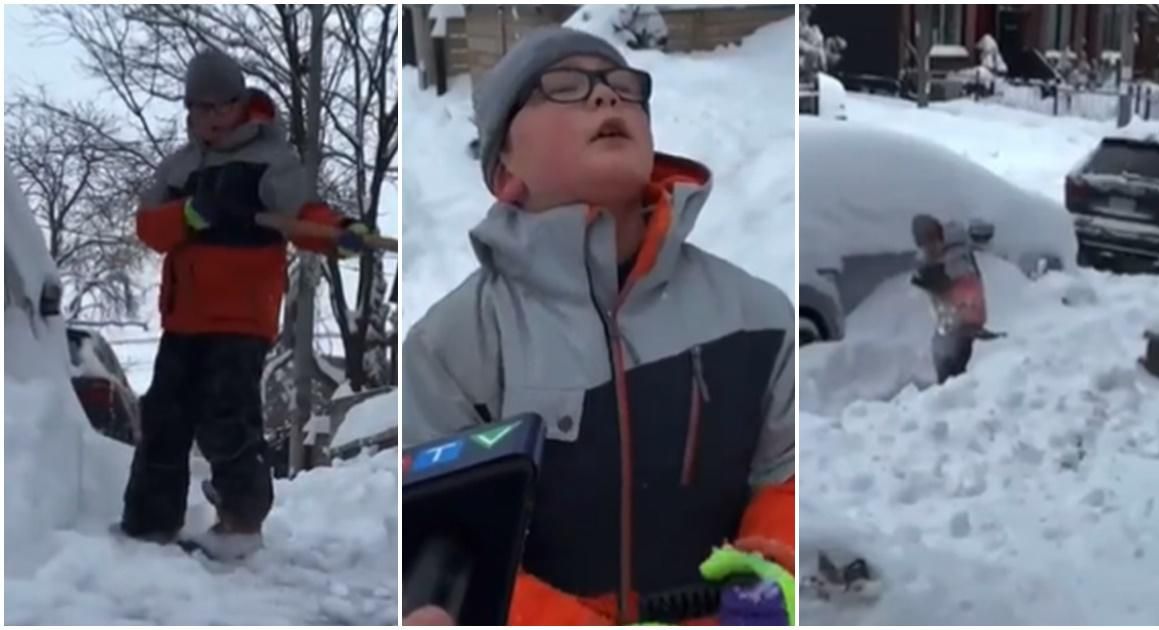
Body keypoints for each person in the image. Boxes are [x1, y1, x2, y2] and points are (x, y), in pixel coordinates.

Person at [403, 28, 795, 625]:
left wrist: (770, 570)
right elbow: (441, 553)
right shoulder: (452, 348)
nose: (607, 99)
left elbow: (787, 483)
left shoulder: (759, 318)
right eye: (563, 87)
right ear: (504, 165)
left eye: (625, 89)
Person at [123, 49, 374, 559]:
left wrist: (340, 234)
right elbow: (149, 226)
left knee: (227, 413)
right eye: (198, 108)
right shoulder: (181, 166)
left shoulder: (270, 161)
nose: (209, 119)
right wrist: (191, 215)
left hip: (241, 317)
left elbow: (304, 215)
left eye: (219, 107)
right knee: (164, 417)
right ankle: (149, 525)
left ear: (239, 105)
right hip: (183, 317)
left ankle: (240, 523)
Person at [910, 214, 1001, 384]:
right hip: (949, 328)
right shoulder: (932, 259)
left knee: (958, 381)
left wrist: (943, 287)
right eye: (922, 244)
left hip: (966, 329)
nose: (928, 248)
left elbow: (968, 295)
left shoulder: (956, 257)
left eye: (930, 242)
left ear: (940, 238)